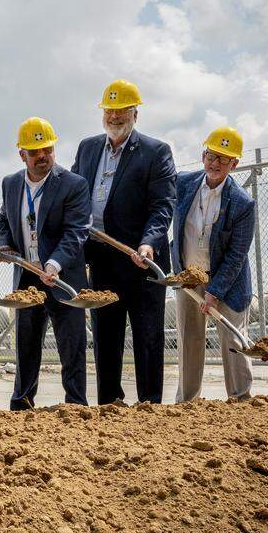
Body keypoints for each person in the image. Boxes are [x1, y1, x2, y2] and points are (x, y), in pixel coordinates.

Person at [72, 79, 176, 404]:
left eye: (122, 111)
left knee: (147, 339)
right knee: (105, 337)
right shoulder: (88, 149)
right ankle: (109, 405)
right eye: (109, 111)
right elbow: (75, 197)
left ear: (135, 114)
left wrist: (148, 243)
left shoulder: (155, 151)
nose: (115, 117)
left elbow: (162, 206)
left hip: (141, 262)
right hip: (102, 261)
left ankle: (149, 406)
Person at [0, 117, 91, 409]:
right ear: (21, 154)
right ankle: (22, 404)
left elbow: (76, 232)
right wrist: (5, 243)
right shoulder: (11, 184)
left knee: (71, 344)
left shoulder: (73, 185)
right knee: (26, 344)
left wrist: (54, 264)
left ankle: (75, 405)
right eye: (34, 151)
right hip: (27, 279)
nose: (42, 156)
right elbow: (3, 220)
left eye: (47, 149)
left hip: (62, 278)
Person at [172, 127, 256, 402]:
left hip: (227, 282)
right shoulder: (183, 184)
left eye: (223, 158)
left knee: (233, 342)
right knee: (190, 341)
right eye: (211, 155)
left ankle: (240, 399)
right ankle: (186, 402)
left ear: (235, 164)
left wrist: (214, 291)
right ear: (202, 154)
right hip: (189, 278)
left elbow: (236, 256)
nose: (215, 163)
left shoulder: (242, 204)